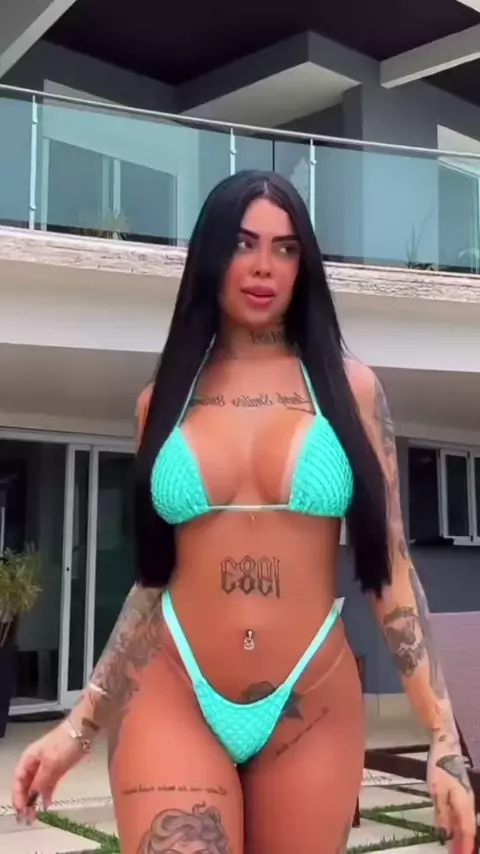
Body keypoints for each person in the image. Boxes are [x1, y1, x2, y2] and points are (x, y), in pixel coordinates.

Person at [12, 171, 475, 854]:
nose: (264, 267)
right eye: (243, 243)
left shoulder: (350, 390)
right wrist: (77, 726)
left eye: (285, 249)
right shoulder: (162, 400)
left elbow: (392, 567)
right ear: (211, 255)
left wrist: (443, 739)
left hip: (310, 699)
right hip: (173, 688)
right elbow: (151, 583)